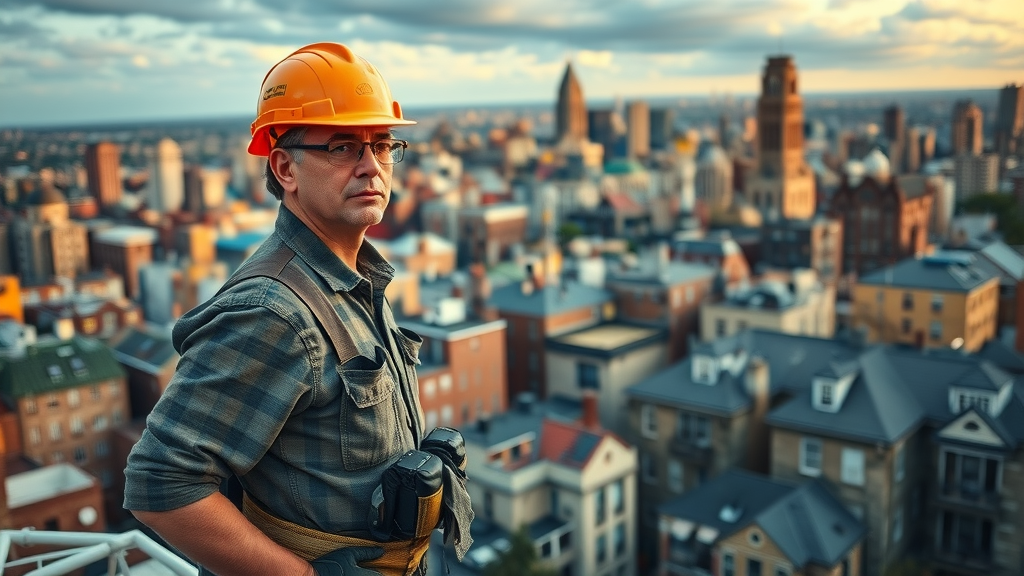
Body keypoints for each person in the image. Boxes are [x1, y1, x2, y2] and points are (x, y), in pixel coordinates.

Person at [124, 42, 457, 576]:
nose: (371, 166)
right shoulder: (275, 311)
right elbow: (160, 480)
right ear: (285, 168)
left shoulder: (354, 279)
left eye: (382, 145)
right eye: (343, 147)